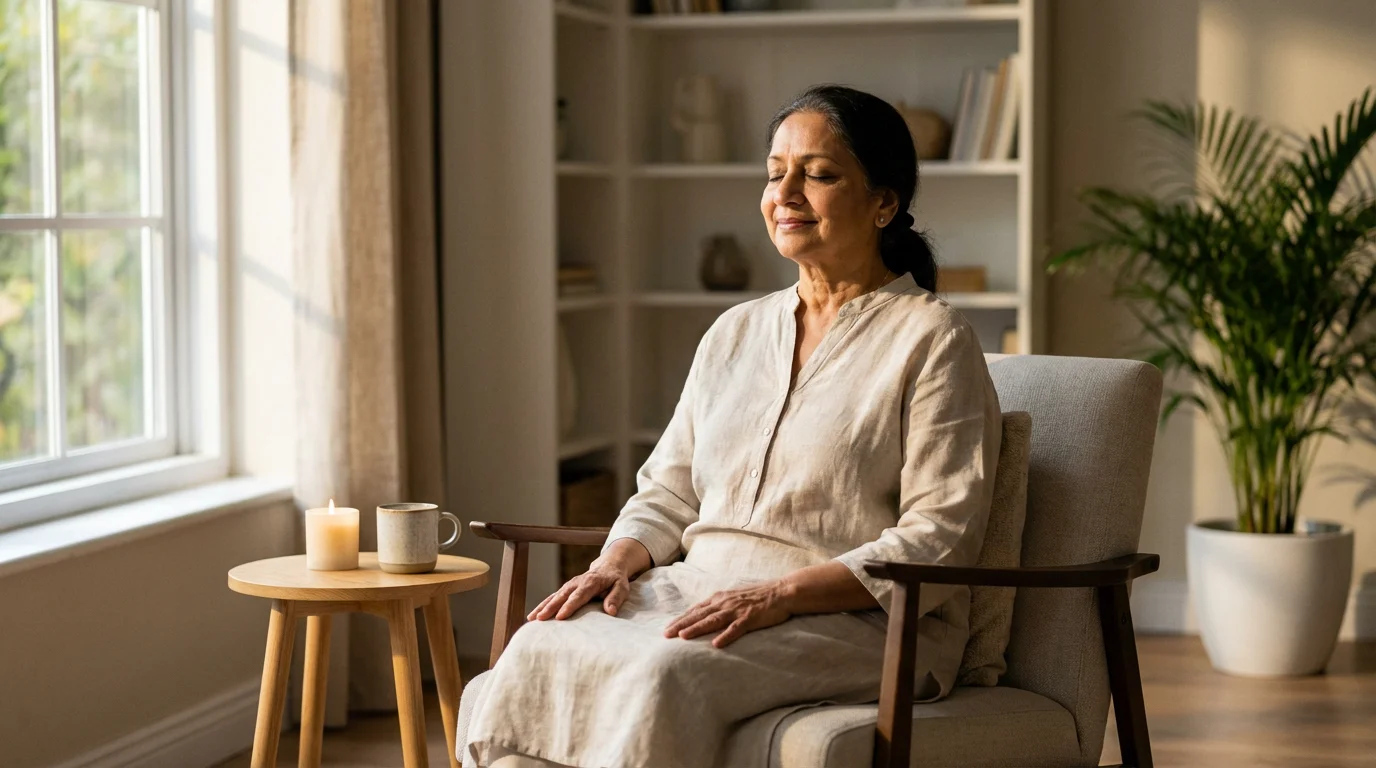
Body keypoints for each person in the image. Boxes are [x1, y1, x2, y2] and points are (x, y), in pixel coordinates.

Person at [463, 84, 1002, 768]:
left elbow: (941, 538)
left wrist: (781, 595)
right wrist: (614, 562)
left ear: (884, 204)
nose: (787, 192)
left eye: (821, 174)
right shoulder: (734, 331)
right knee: (538, 645)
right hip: (702, 589)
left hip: (864, 620)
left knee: (667, 673)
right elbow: (670, 489)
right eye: (777, 172)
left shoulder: (933, 339)